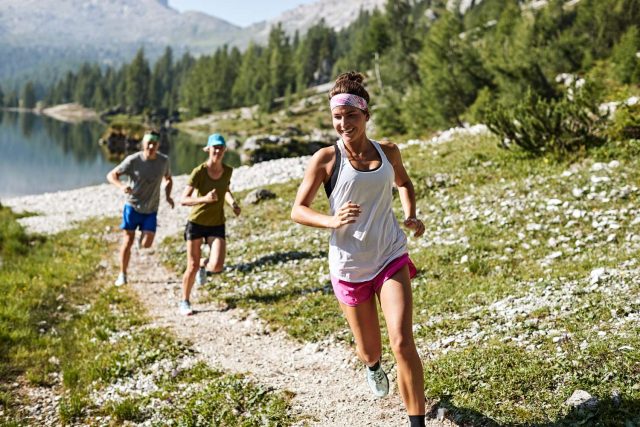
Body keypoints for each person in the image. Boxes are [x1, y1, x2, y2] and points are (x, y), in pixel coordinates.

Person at [290, 72, 427, 426]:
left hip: (389, 255)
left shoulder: (389, 151)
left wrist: (410, 215)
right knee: (371, 349)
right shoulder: (325, 159)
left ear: (366, 115)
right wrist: (332, 221)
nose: (343, 123)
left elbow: (404, 183)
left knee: (402, 342)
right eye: (337, 117)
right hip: (350, 265)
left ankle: (417, 423)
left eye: (351, 115)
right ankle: (372, 366)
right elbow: (298, 210)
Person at [179, 133, 241, 316]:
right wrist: (205, 199)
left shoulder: (228, 170)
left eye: (221, 147)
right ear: (208, 149)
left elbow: (225, 189)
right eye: (214, 147)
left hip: (216, 223)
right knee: (191, 266)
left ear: (225, 150)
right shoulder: (199, 171)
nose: (218, 151)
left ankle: (202, 266)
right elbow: (183, 199)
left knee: (217, 265)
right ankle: (185, 301)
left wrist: (233, 203)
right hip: (196, 222)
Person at [107, 130, 174, 286]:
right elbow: (111, 175)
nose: (151, 146)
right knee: (127, 241)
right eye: (148, 143)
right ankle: (122, 274)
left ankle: (140, 240)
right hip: (132, 206)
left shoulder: (164, 161)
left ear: (158, 145)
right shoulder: (133, 160)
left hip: (151, 208)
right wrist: (121, 186)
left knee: (147, 243)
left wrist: (168, 196)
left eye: (154, 143)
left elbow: (168, 179)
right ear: (143, 144)